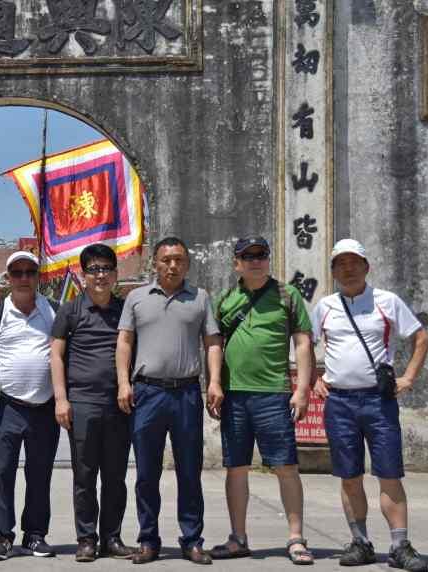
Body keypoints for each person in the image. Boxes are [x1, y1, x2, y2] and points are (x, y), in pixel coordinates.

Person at [312, 239, 428, 572]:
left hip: (379, 401)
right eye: (340, 264)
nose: (347, 269)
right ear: (333, 271)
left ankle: (399, 545)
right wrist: (317, 377)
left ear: (366, 266)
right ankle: (360, 542)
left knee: (389, 474)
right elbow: (306, 345)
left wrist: (408, 377)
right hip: (339, 403)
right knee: (349, 476)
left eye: (354, 262)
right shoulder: (325, 307)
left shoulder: (386, 302)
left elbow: (421, 337)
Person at [115, 236, 224, 565]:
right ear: (155, 263)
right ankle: (148, 540)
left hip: (187, 394)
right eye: (166, 260)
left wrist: (214, 382)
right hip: (147, 394)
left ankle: (192, 540)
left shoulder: (200, 298)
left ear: (187, 264)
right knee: (147, 473)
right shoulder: (136, 298)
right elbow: (124, 343)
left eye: (179, 259)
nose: (172, 265)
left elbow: (213, 343)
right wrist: (123, 382)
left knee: (189, 471)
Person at [210, 236, 315, 565]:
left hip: (274, 393)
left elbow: (302, 343)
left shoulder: (287, 294)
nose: (256, 261)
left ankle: (296, 538)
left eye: (261, 255)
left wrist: (302, 389)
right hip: (235, 395)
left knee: (285, 466)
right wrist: (213, 384)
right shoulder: (226, 299)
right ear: (236, 263)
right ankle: (238, 537)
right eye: (248, 256)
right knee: (236, 468)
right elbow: (213, 346)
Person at [0, 251, 60, 561]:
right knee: (2, 473)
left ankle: (35, 535)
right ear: (7, 277)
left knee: (40, 474)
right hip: (7, 407)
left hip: (44, 408)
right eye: (17, 272)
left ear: (38, 277)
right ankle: (2, 536)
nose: (24, 278)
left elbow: (63, 357)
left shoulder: (53, 312)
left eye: (30, 272)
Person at [50, 243, 135, 562]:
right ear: (83, 275)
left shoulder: (125, 309)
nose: (100, 275)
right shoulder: (70, 310)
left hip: (119, 404)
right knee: (84, 475)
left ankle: (111, 537)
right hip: (82, 403)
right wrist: (61, 398)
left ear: (115, 273)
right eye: (93, 270)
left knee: (115, 475)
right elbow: (56, 355)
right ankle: (86, 538)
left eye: (106, 269)